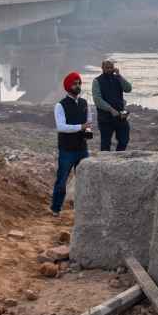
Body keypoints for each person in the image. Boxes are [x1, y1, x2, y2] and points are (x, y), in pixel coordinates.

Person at [50, 72, 93, 216]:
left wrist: (87, 129)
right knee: (62, 180)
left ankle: (83, 209)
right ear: (68, 86)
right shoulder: (60, 105)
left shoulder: (84, 103)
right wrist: (80, 127)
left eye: (79, 83)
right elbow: (61, 127)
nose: (78, 86)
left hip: (82, 148)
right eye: (75, 83)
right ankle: (55, 209)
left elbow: (88, 122)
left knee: (84, 180)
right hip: (67, 149)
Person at [92, 59, 133, 151]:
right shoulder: (97, 81)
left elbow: (128, 89)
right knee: (106, 143)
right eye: (107, 68)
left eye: (111, 68)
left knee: (124, 140)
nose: (109, 70)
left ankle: (117, 159)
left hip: (120, 116)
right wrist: (110, 109)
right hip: (105, 118)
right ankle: (104, 163)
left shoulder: (117, 79)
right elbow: (97, 100)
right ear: (102, 68)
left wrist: (119, 76)